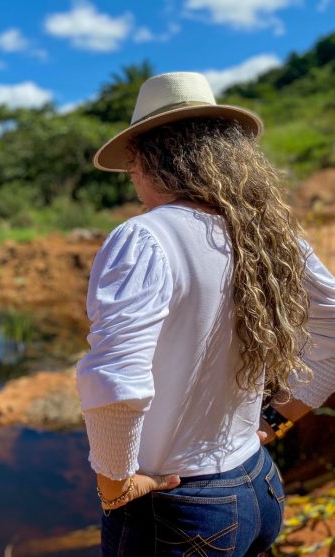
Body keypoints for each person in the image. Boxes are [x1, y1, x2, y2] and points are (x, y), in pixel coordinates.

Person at [76, 72, 335, 556]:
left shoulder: (147, 237)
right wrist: (278, 418)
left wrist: (113, 489)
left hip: (179, 506)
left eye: (131, 167)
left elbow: (114, 379)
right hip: (257, 485)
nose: (133, 183)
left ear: (151, 159)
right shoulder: (267, 234)